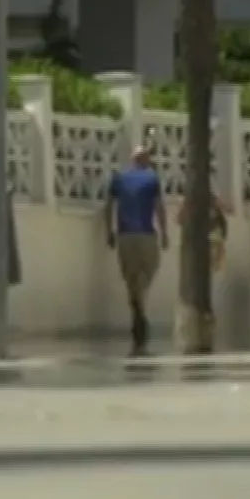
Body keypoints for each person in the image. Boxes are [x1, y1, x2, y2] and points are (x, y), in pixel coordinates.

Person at [103, 143, 168, 356]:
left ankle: (136, 311)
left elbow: (109, 205)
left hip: (125, 236)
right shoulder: (152, 178)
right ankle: (139, 306)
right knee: (149, 269)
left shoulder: (118, 178)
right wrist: (165, 232)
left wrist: (109, 231)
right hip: (147, 235)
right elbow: (159, 206)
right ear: (144, 159)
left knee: (130, 278)